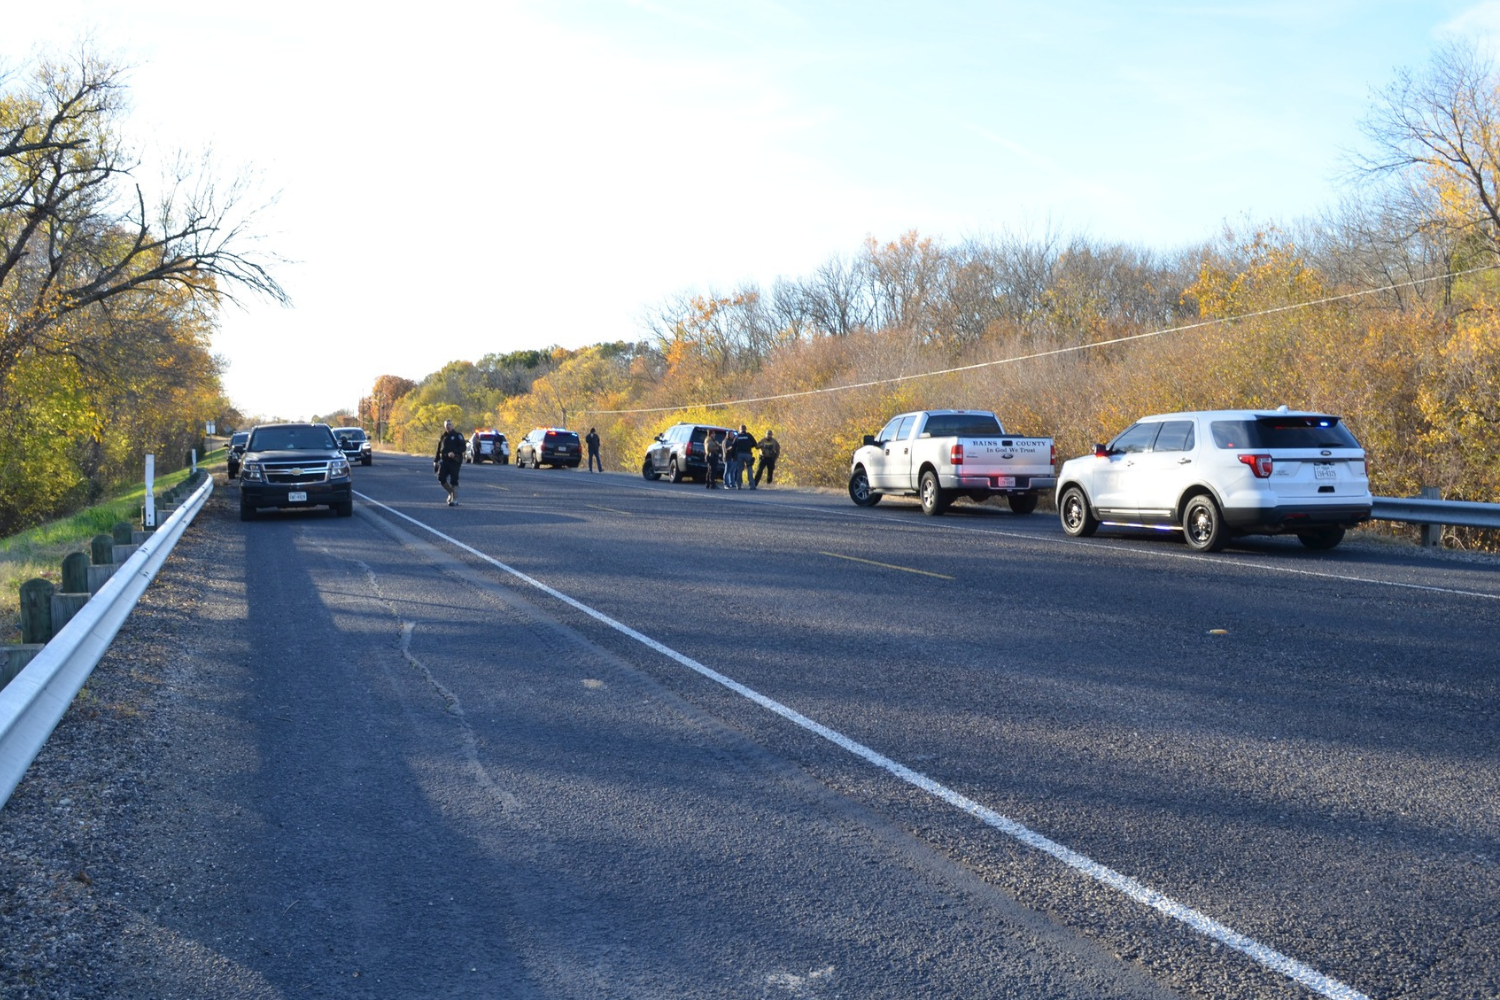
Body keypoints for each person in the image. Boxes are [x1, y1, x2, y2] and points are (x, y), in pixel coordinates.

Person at [434, 419, 467, 506]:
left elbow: (463, 447)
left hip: (455, 461)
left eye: (450, 424)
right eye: (446, 425)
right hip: (444, 460)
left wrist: (454, 452)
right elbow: (439, 450)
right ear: (444, 427)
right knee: (441, 477)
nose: (448, 426)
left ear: (453, 425)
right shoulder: (443, 437)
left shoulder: (457, 435)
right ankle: (451, 492)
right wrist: (436, 460)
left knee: (454, 479)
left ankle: (455, 499)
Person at [733, 424, 757, 489]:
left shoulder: (737, 436)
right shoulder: (748, 435)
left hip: (739, 454)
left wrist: (733, 456)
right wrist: (749, 446)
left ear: (740, 429)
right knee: (749, 469)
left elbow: (734, 446)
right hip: (748, 454)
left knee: (739, 470)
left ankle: (739, 485)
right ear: (745, 429)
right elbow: (755, 443)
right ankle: (752, 485)